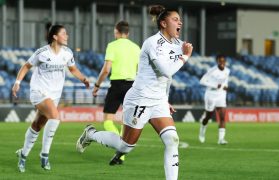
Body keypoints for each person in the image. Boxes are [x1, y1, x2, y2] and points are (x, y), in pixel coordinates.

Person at [76, 5, 193, 180]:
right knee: (125, 147)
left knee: (172, 140)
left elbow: (166, 79)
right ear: (163, 23)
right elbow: (166, 71)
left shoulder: (177, 45)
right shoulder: (152, 43)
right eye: (175, 19)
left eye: (179, 19)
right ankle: (91, 134)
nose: (180, 22)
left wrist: (165, 99)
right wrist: (185, 57)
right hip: (140, 99)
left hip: (158, 100)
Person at [12, 24, 90, 173]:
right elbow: (26, 66)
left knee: (37, 125)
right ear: (55, 36)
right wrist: (17, 83)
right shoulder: (42, 52)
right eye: (64, 34)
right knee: (55, 116)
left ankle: (23, 156)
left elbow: (72, 68)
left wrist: (83, 79)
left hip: (54, 94)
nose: (67, 36)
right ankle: (44, 155)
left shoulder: (67, 53)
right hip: (38, 91)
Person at [92, 21, 140, 143]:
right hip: (132, 86)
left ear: (116, 32)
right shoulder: (136, 47)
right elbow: (140, 70)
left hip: (117, 85)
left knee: (108, 120)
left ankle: (118, 143)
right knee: (126, 121)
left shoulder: (112, 45)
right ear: (128, 33)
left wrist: (97, 85)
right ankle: (121, 153)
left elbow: (106, 69)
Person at [198, 54, 230, 145]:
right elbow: (202, 81)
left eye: (223, 61)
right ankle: (202, 130)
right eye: (220, 61)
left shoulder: (227, 71)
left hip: (221, 95)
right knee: (208, 116)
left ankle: (221, 139)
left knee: (223, 117)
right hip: (211, 95)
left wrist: (225, 86)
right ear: (217, 61)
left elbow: (225, 81)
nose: (222, 63)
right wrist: (215, 85)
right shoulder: (212, 70)